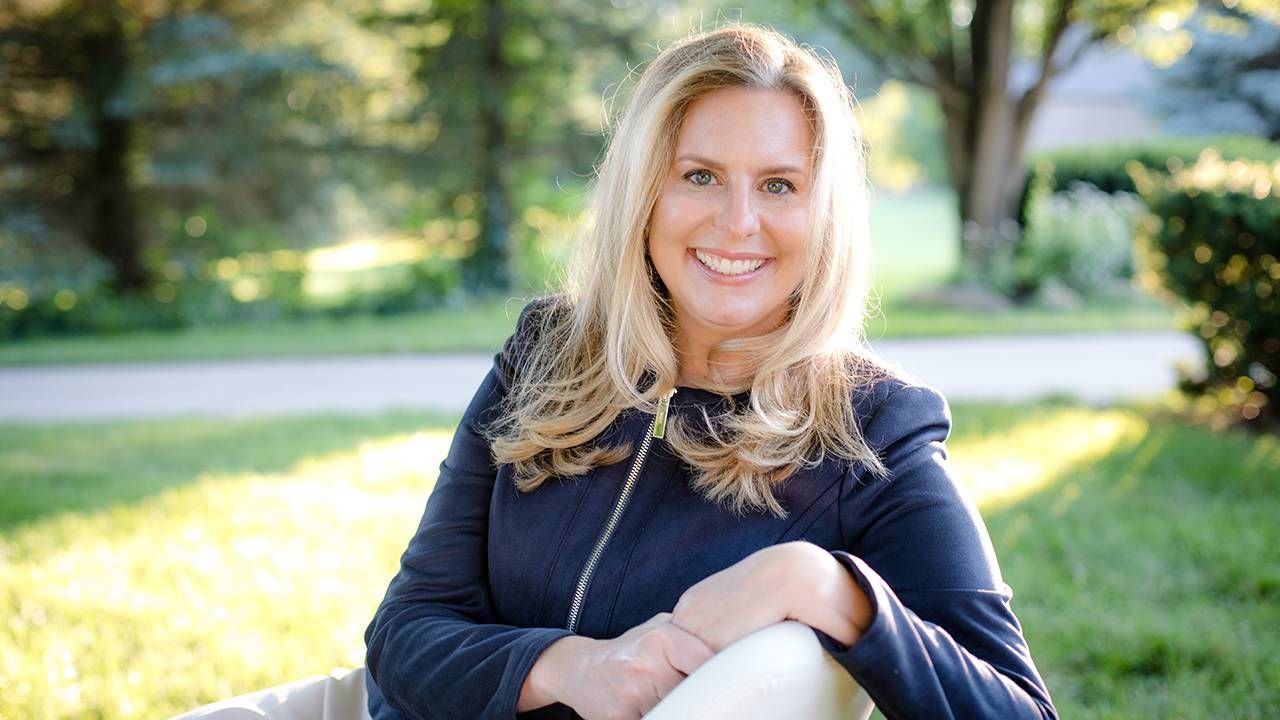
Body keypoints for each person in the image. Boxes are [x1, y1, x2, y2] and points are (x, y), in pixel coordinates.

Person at [363, 23, 1058, 720]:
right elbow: (403, 635)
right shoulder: (545, 353)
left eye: (780, 185)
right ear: (645, 194)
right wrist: (570, 670)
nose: (738, 222)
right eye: (700, 176)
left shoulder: (871, 430)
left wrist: (830, 591)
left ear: (824, 216)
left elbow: (1019, 710)